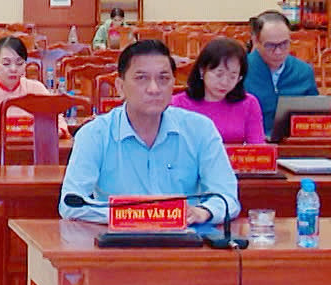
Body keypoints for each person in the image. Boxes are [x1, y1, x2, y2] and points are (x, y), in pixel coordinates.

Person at [58, 40, 239, 229]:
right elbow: (71, 204)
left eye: (163, 79)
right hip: (118, 240)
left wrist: (203, 212)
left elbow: (227, 197)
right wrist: (136, 215)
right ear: (120, 87)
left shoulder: (200, 129)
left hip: (186, 237)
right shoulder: (94, 134)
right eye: (141, 78)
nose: (154, 89)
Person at [168, 38, 265, 146]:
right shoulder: (178, 104)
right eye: (219, 74)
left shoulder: (249, 104)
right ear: (202, 71)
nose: (224, 82)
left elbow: (258, 148)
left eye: (232, 77)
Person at [243, 11, 319, 139]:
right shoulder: (241, 70)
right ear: (255, 41)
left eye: (284, 44)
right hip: (253, 142)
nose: (278, 52)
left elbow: (316, 114)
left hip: (294, 142)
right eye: (270, 45)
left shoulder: (304, 71)